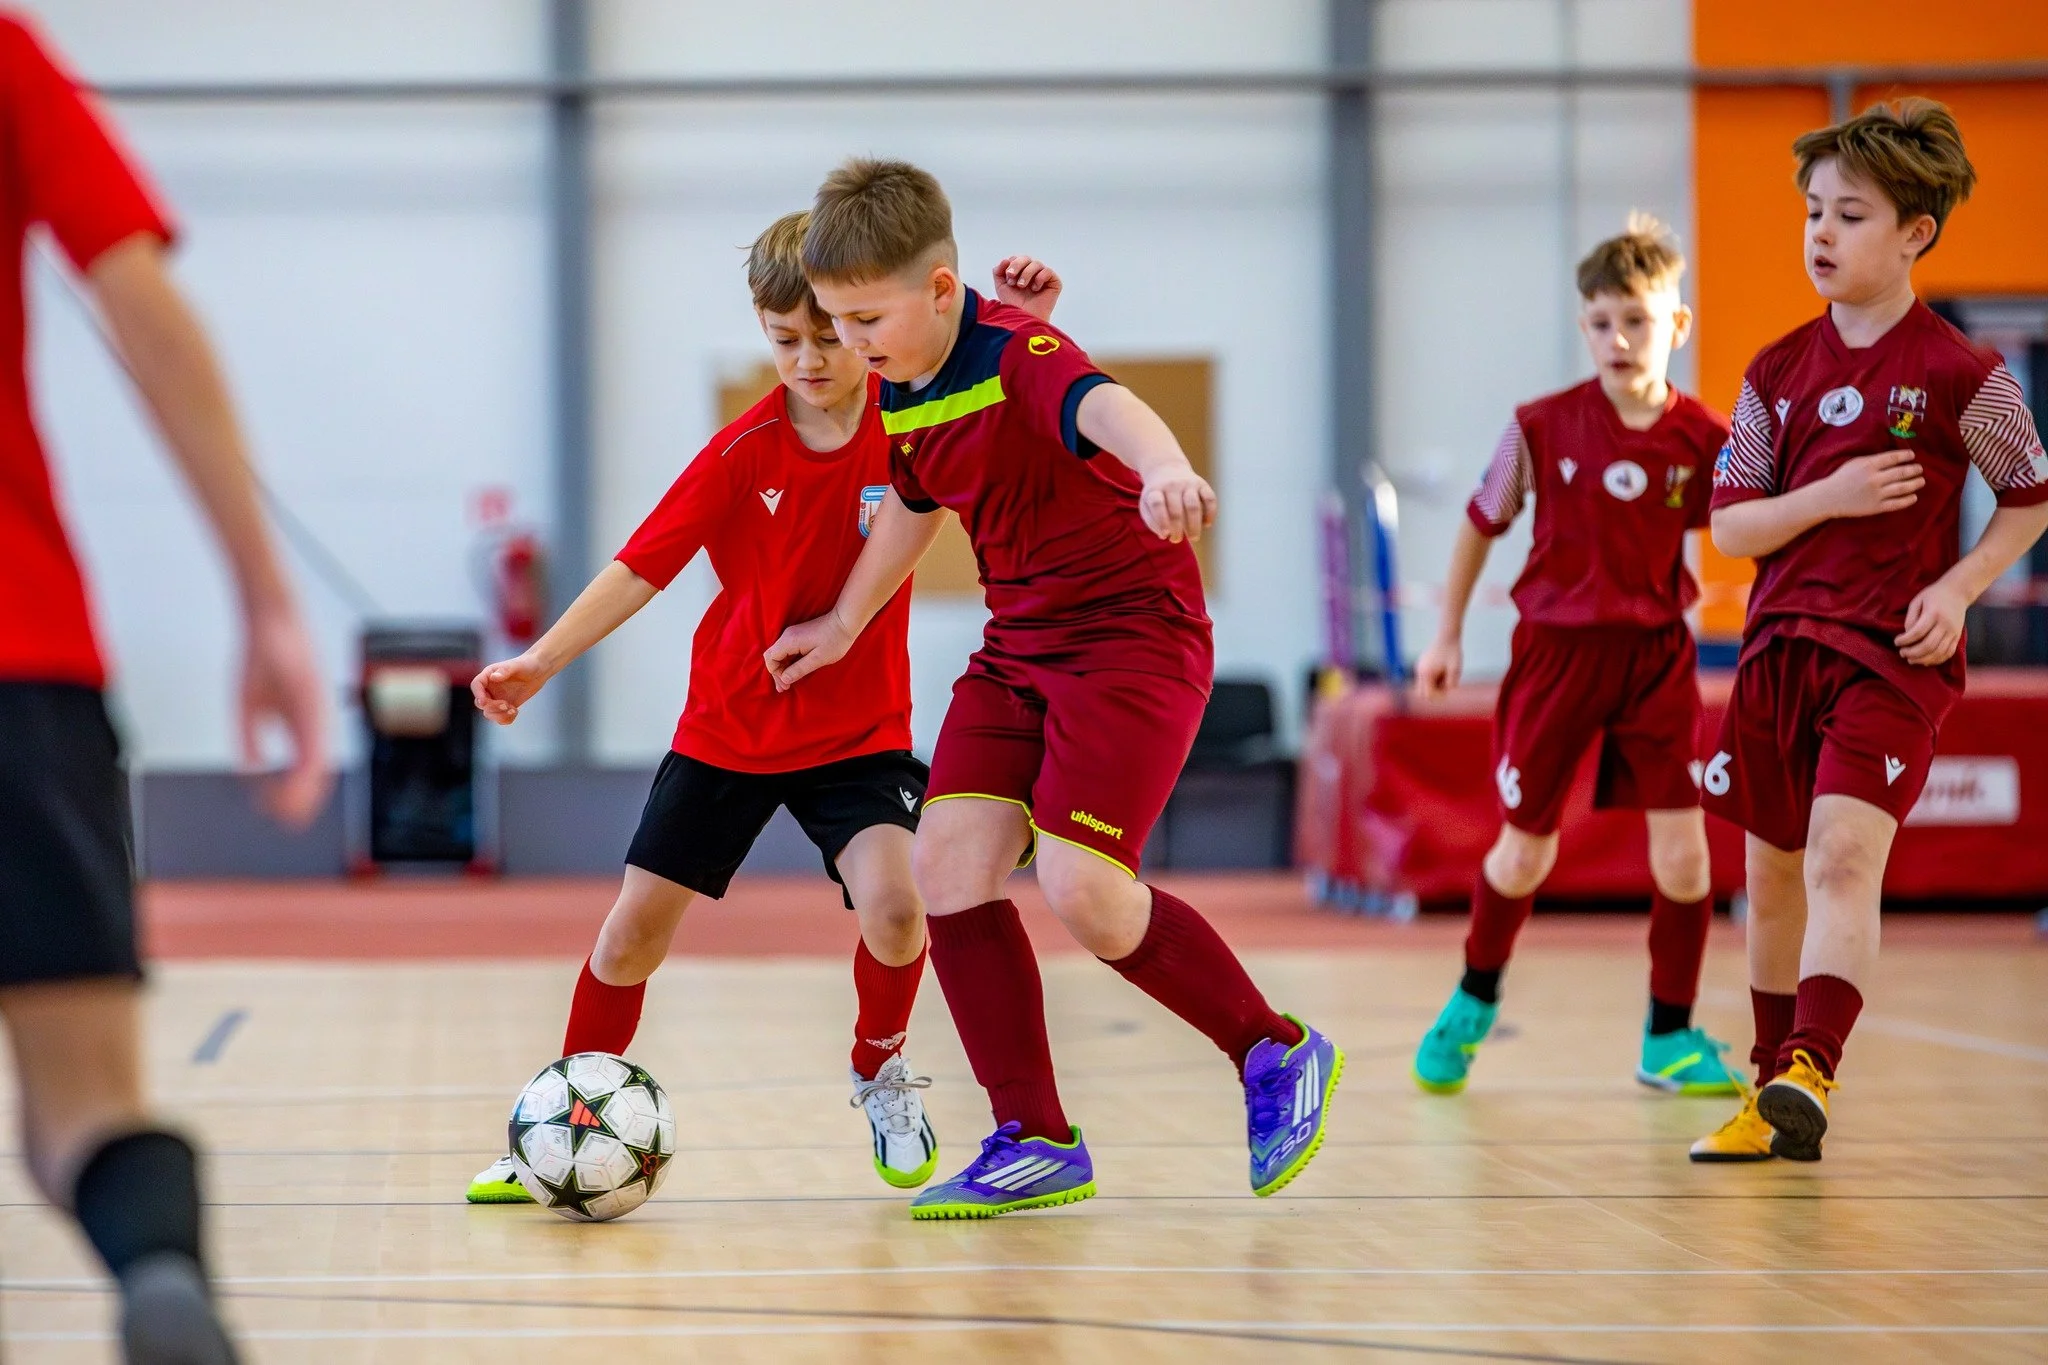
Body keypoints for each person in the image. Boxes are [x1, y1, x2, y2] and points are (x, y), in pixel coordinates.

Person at [767, 159, 1342, 1221]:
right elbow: (912, 499)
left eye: (864, 318)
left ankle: (1274, 1050)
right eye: (836, 323)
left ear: (940, 289)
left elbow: (1106, 406)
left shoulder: (1022, 350)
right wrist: (842, 622)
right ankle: (1033, 1138)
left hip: (1132, 643)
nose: (850, 344)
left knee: (1082, 888)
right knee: (946, 866)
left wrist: (1167, 467)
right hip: (1017, 648)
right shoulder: (900, 379)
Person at [464, 211, 1066, 1201]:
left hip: (858, 739)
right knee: (628, 937)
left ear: (857, 319)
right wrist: (538, 661)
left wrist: (1030, 317)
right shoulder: (743, 452)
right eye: (783, 340)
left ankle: (877, 1066)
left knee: (896, 906)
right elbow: (639, 567)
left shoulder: (907, 420)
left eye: (826, 334)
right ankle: (557, 1121)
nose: (807, 357)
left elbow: (1005, 394)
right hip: (729, 732)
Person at [0, 14, 330, 1363]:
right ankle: (156, 1270)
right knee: (86, 1118)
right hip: (22, 664)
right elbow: (146, 309)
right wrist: (263, 596)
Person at [1690, 99, 2048, 1162]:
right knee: (1767, 879)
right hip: (1774, 651)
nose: (1819, 234)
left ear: (1914, 233)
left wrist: (1959, 586)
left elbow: (2027, 498)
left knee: (1841, 859)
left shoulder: (1962, 374)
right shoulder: (1771, 370)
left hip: (1887, 660)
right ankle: (1769, 1098)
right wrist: (1830, 497)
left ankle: (1810, 1065)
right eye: (1811, 211)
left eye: (1848, 214)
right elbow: (1729, 524)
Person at [1409, 216, 1738, 1098]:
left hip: (1658, 658)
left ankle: (1667, 1036)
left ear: (1677, 324)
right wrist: (1444, 636)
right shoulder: (1540, 426)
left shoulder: (1707, 442)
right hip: (1555, 658)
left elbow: (1758, 526)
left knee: (1687, 859)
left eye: (1636, 318)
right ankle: (1470, 1005)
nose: (1617, 339)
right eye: (1599, 321)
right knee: (1523, 854)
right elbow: (1480, 525)